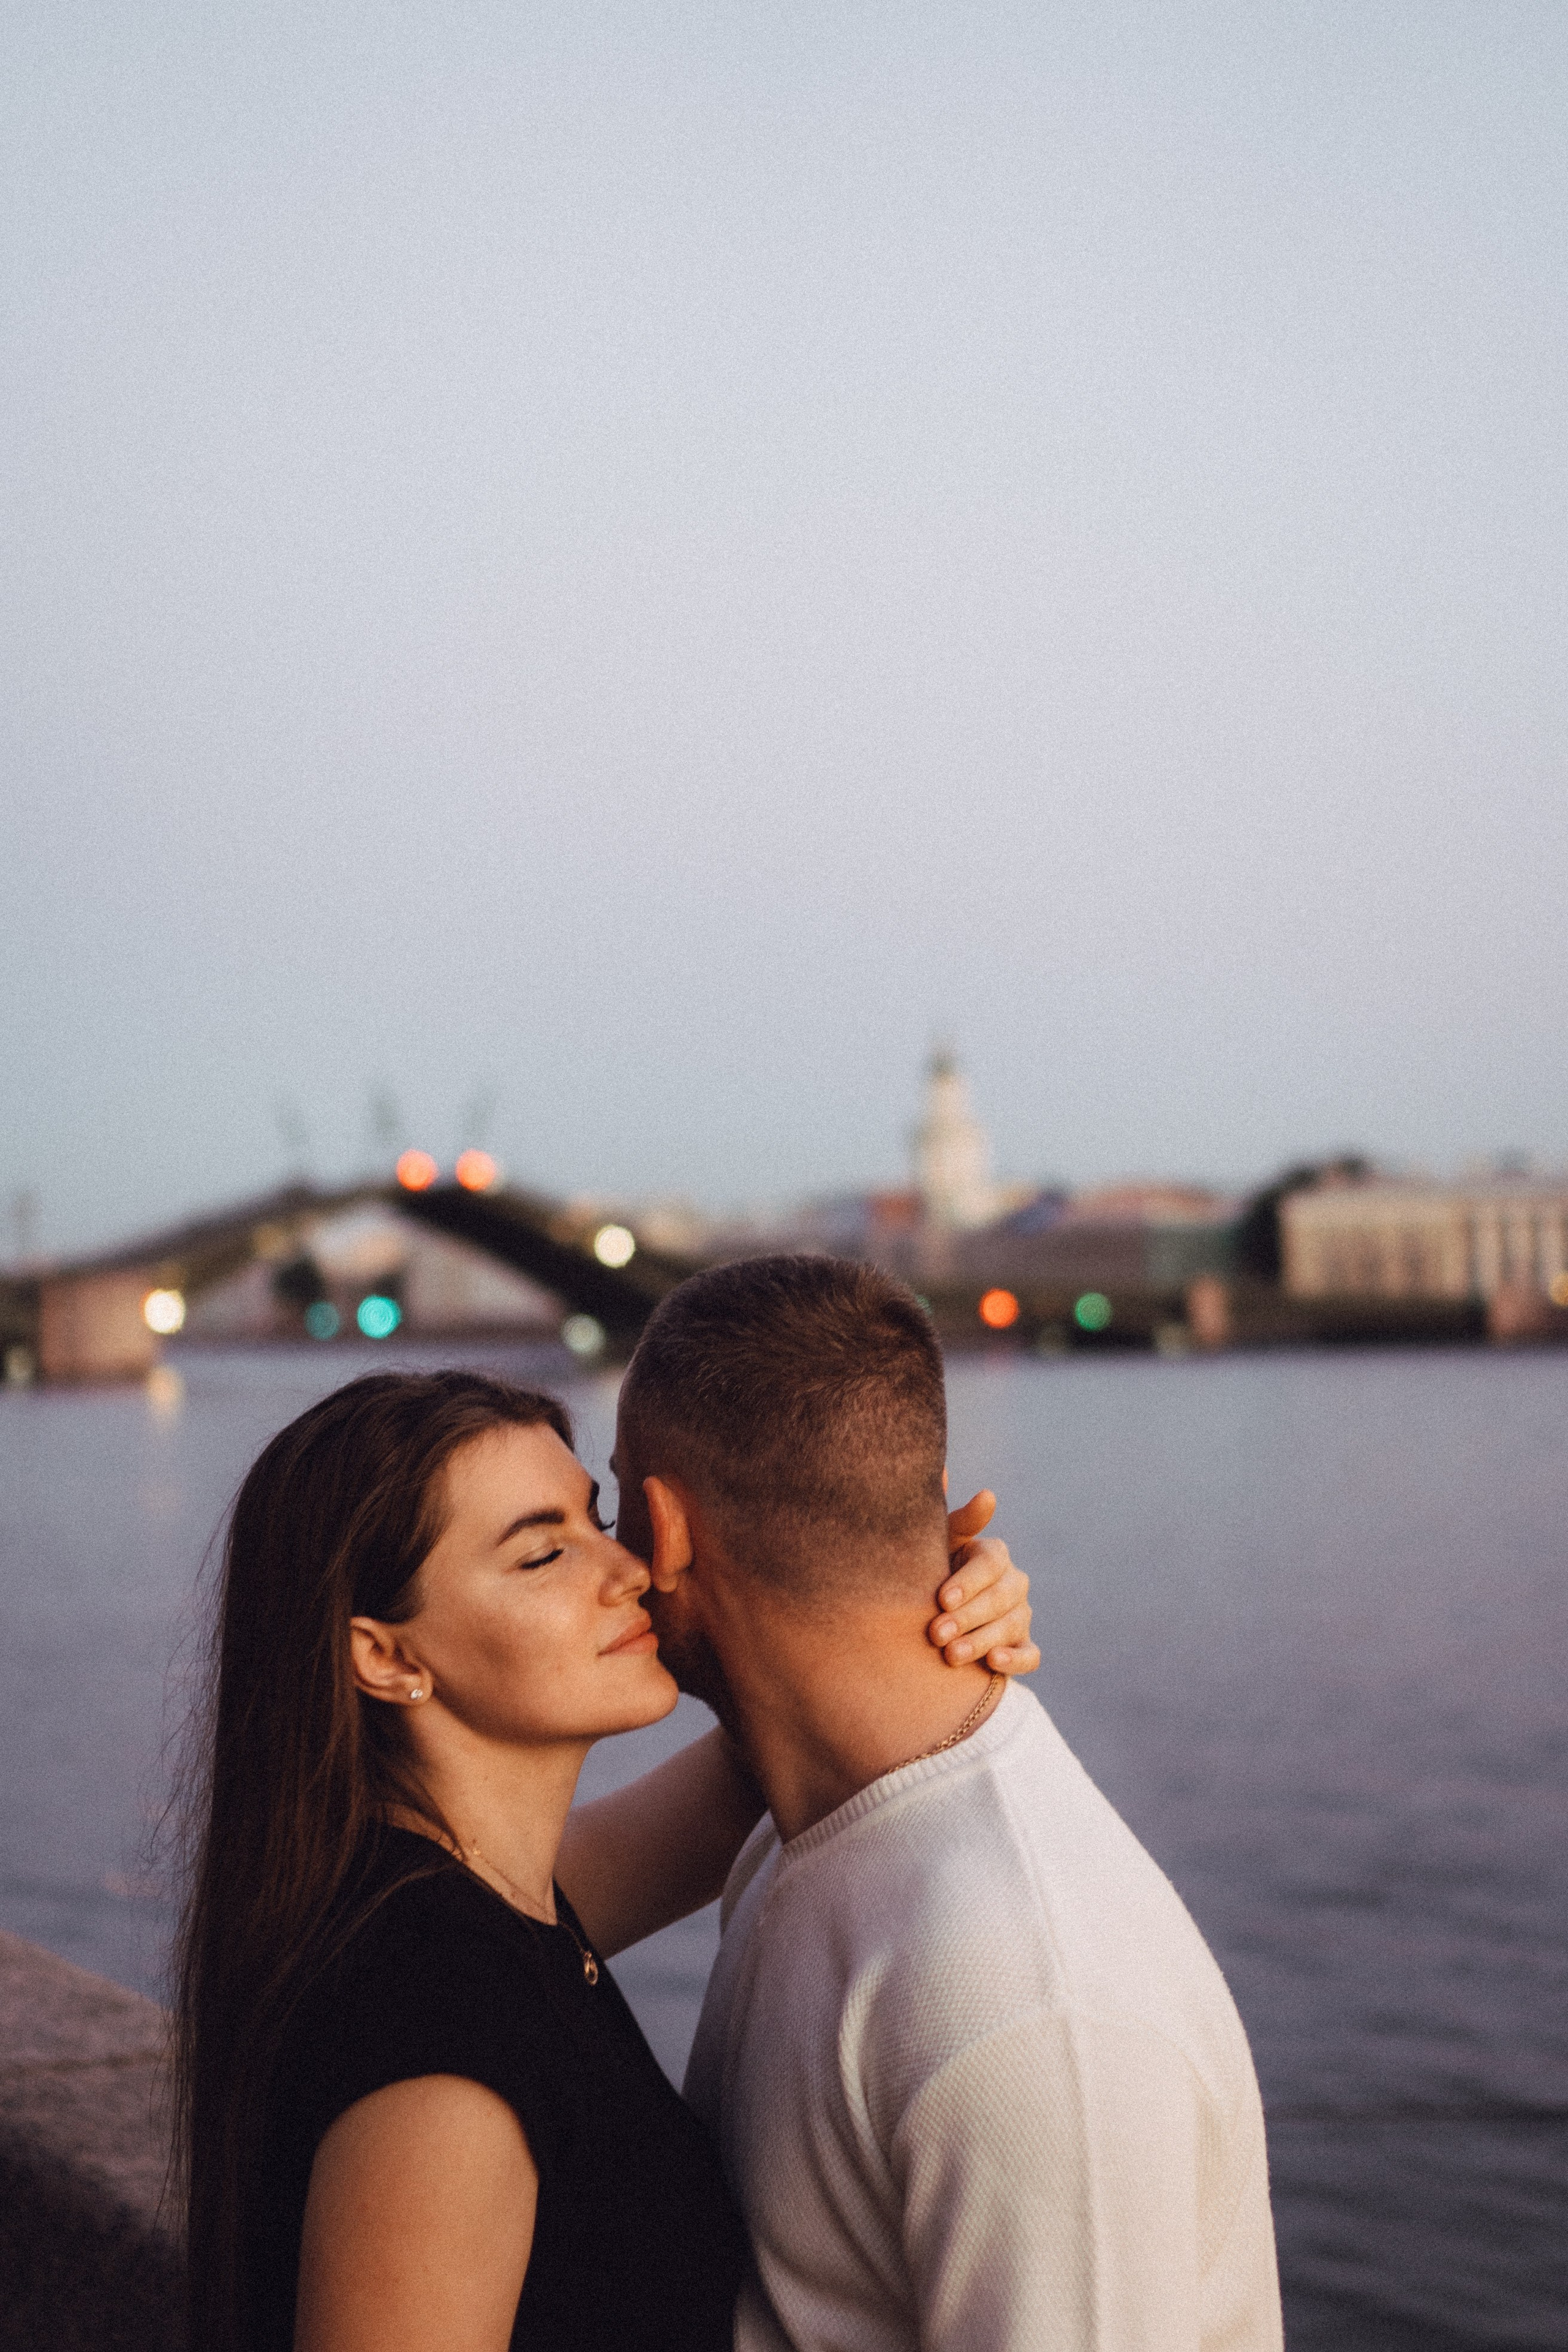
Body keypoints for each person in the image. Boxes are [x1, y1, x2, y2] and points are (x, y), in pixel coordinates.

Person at [173, 1367, 1036, 2352]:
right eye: (544, 1556)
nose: (629, 1571)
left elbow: (789, 1738)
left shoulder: (466, 1904)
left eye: (596, 1517)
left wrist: (910, 1596)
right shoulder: (442, 2046)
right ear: (389, 1657)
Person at [612, 1255, 1285, 2352]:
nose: (608, 1562)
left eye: (610, 1506)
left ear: (668, 1531)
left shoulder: (1029, 2003)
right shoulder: (798, 1830)